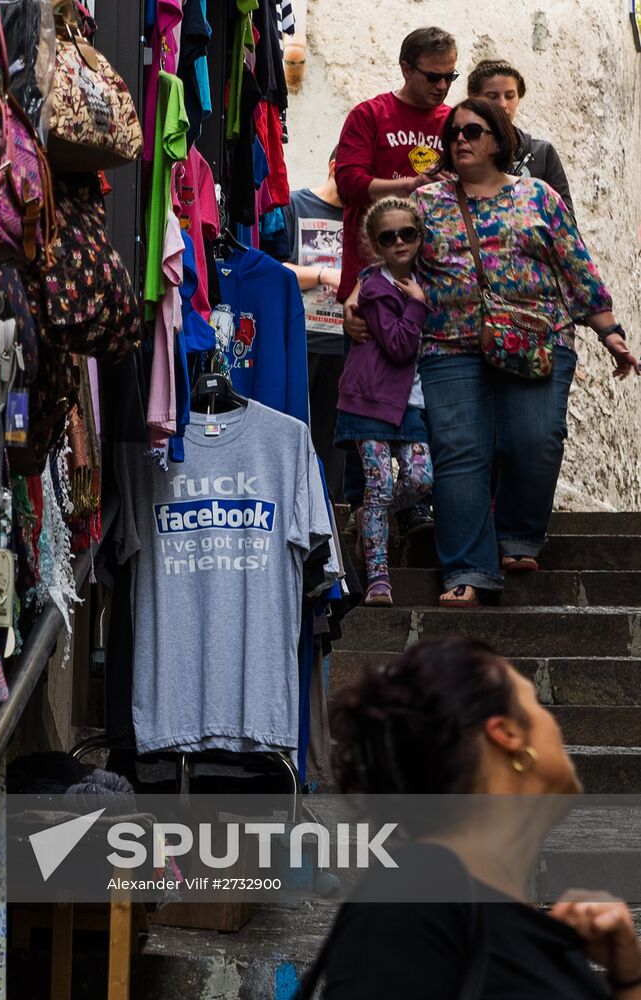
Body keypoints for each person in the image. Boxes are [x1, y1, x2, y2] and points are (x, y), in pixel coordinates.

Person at [299, 637, 641, 999]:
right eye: (537, 704)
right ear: (507, 733)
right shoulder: (417, 899)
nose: (554, 724)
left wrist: (629, 980)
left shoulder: (522, 929)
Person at [406, 97, 637, 607]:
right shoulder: (426, 204)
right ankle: (466, 567)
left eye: (473, 131)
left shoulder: (538, 196)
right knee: (460, 454)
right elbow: (394, 261)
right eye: (453, 134)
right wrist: (364, 298)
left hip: (538, 338)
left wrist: (609, 331)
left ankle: (518, 534)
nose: (460, 140)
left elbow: (576, 266)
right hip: (450, 344)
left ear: (500, 140)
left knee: (536, 439)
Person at [333, 26, 456, 535]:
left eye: (451, 77)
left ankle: (416, 500)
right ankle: (365, 502)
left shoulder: (455, 123)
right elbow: (349, 182)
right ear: (406, 68)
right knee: (371, 390)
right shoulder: (370, 114)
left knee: (427, 395)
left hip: (433, 287)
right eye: (433, 76)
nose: (443, 88)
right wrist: (411, 185)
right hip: (376, 284)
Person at [333, 198, 433, 607]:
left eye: (407, 234)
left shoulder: (425, 279)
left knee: (421, 479)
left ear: (420, 237)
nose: (399, 243)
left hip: (411, 404)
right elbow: (398, 344)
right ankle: (377, 578)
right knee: (378, 484)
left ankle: (369, 519)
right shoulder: (374, 287)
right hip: (370, 401)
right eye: (388, 237)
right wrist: (417, 305)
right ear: (375, 244)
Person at [273, 147, 347, 498]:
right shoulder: (294, 205)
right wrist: (322, 274)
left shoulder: (368, 217)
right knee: (292, 433)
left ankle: (330, 514)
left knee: (335, 448)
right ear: (333, 166)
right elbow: (273, 268)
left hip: (346, 346)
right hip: (300, 341)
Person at [467, 58, 574, 217]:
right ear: (474, 98)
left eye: (510, 96)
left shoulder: (542, 153)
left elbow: (565, 218)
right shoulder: (462, 151)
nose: (502, 104)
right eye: (492, 96)